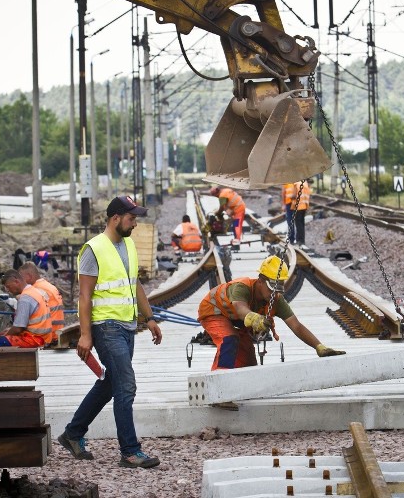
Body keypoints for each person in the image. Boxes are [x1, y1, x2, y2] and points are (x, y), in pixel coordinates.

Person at [58, 196, 163, 469]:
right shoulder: (93, 249)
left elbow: (135, 283)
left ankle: (73, 434)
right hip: (106, 328)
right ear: (115, 218)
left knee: (110, 385)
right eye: (131, 218)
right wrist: (85, 335)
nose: (135, 223)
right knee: (125, 386)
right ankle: (130, 451)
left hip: (127, 326)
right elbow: (84, 296)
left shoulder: (128, 244)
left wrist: (149, 318)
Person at [197, 254, 345, 370]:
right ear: (260, 281)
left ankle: (242, 386)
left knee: (248, 355)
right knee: (229, 338)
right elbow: (240, 308)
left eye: (277, 289)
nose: (274, 293)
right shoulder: (242, 287)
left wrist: (319, 346)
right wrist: (256, 319)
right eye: (271, 288)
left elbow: (296, 326)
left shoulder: (275, 299)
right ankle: (219, 387)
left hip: (234, 319)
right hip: (214, 312)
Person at [0, 269, 53, 348]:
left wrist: (4, 337)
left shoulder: (26, 298)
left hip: (35, 340)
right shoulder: (34, 291)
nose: (8, 290)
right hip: (44, 337)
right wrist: (8, 331)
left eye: (8, 286)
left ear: (16, 281)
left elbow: (18, 329)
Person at [19, 261, 66, 336]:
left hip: (49, 334)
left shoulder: (36, 289)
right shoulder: (48, 286)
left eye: (21, 277)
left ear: (29, 276)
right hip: (57, 331)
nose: (20, 281)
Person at [284, 179, 311, 246]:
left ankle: (299, 241)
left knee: (298, 224)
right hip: (304, 206)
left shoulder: (296, 184)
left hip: (298, 206)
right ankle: (302, 241)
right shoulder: (305, 183)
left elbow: (294, 195)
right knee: (302, 224)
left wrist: (289, 197)